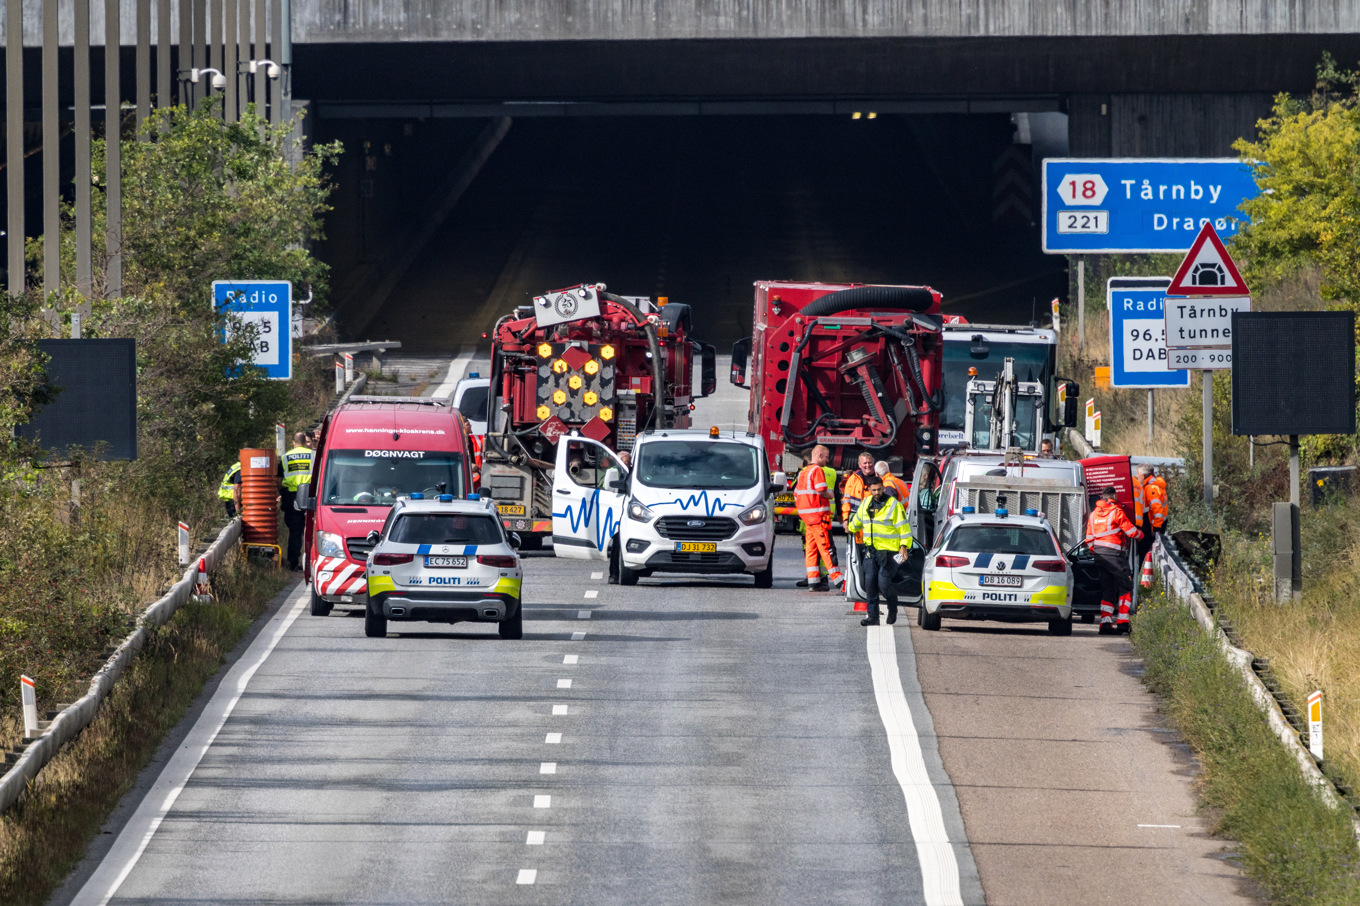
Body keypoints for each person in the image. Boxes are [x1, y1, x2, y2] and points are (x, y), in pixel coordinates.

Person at [847, 475, 912, 626]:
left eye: (879, 489)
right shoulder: (865, 503)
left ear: (883, 487)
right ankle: (873, 617)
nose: (877, 492)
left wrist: (904, 546)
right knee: (870, 584)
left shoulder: (893, 505)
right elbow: (857, 521)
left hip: (889, 553)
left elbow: (904, 528)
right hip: (871, 551)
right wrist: (849, 527)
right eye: (874, 490)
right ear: (868, 490)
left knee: (883, 583)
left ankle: (892, 607)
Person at [1085, 485, 1143, 634]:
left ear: (1102, 498)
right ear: (1114, 497)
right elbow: (1131, 532)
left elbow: (1089, 539)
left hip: (1099, 555)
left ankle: (1105, 624)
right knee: (1126, 586)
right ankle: (1123, 622)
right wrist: (1142, 535)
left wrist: (1096, 551)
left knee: (1108, 590)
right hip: (1115, 556)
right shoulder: (1117, 512)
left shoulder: (1093, 515)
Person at [795, 445, 844, 592]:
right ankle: (840, 582)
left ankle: (813, 582)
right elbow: (822, 491)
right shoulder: (817, 470)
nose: (828, 460)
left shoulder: (803, 472)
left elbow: (796, 494)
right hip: (819, 517)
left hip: (807, 518)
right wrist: (830, 494)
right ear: (820, 456)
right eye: (827, 457)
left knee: (811, 549)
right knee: (827, 548)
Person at [281, 432, 315, 571]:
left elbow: (279, 479)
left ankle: (293, 562)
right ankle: (311, 562)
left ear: (293, 442)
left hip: (292, 496)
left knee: (295, 531)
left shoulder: (285, 457)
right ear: (305, 441)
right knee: (311, 531)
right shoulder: (314, 455)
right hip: (310, 495)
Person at [840, 452, 877, 526]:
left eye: (870, 462)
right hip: (857, 519)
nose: (867, 465)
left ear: (873, 463)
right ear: (859, 465)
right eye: (865, 463)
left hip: (875, 519)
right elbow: (846, 500)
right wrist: (846, 518)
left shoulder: (879, 477)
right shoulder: (853, 479)